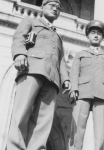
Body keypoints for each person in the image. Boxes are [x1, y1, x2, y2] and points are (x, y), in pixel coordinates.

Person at [7, 0, 71, 150]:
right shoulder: (30, 21)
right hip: (32, 69)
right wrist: (19, 54)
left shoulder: (58, 37)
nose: (55, 9)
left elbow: (61, 60)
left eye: (58, 8)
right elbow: (19, 38)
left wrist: (66, 79)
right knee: (22, 112)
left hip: (52, 78)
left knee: (43, 119)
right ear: (42, 7)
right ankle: (15, 147)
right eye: (52, 5)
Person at [69, 20, 104, 150]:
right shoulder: (80, 54)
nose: (96, 35)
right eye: (93, 33)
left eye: (99, 34)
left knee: (101, 132)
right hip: (82, 92)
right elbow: (74, 73)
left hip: (102, 94)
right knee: (77, 130)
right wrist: (73, 88)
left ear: (102, 37)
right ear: (88, 36)